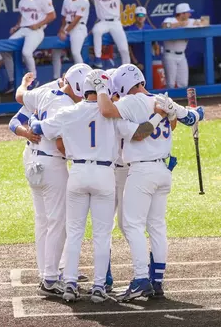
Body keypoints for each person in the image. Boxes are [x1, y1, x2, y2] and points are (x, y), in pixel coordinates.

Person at [28, 70, 169, 303]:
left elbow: (39, 129)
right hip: (105, 174)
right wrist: (158, 116)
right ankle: (99, 286)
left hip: (78, 172)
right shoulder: (113, 114)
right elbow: (140, 134)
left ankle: (70, 284)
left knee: (74, 232)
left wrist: (33, 118)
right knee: (102, 235)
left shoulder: (70, 111)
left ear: (84, 89)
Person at [91, 64, 204, 302]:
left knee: (131, 225)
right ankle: (157, 281)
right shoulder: (162, 99)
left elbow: (107, 110)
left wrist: (101, 88)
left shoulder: (132, 101)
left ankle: (141, 279)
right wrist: (195, 112)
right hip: (163, 170)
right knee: (156, 226)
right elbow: (190, 118)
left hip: (142, 170)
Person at [15, 64, 92, 297]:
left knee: (44, 221)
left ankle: (50, 271)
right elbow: (60, 144)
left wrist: (24, 84)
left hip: (31, 160)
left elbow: (19, 97)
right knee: (59, 222)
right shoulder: (67, 107)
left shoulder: (45, 92)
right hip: (51, 164)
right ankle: (50, 277)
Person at [2, 0, 56, 93]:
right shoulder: (23, 0)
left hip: (36, 30)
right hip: (24, 29)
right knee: (5, 49)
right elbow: (23, 17)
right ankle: (12, 80)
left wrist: (38, 24)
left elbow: (52, 15)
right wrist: (16, 26)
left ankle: (33, 79)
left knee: (26, 52)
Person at [80, 0, 130, 68]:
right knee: (96, 30)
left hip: (115, 22)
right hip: (103, 21)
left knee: (124, 49)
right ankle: (98, 59)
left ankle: (127, 68)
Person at [52, 0, 90, 80]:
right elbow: (64, 18)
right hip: (67, 27)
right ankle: (56, 77)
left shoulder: (84, 0)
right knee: (56, 50)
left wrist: (65, 31)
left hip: (79, 28)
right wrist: (61, 29)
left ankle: (84, 76)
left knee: (75, 52)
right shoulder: (66, 1)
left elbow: (77, 19)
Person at [162, 3, 203, 89]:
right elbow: (164, 26)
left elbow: (205, 22)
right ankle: (169, 102)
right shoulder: (170, 20)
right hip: (169, 55)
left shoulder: (190, 21)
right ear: (182, 13)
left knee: (184, 83)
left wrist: (198, 23)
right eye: (188, 12)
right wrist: (179, 24)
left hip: (182, 55)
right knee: (170, 83)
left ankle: (182, 102)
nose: (190, 14)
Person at [126, 6, 160, 72]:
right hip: (135, 60)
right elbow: (129, 48)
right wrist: (136, 62)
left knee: (148, 80)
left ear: (145, 16)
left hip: (148, 59)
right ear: (135, 17)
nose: (141, 17)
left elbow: (154, 43)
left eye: (143, 15)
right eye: (138, 15)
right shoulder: (130, 29)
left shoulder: (149, 28)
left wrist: (156, 49)